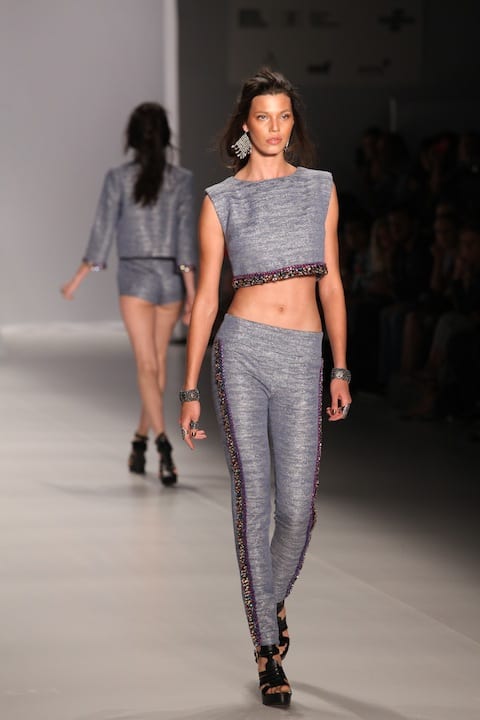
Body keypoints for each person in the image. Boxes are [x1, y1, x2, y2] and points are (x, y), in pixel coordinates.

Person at [179, 68, 351, 707]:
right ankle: (267, 649)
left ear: (292, 124)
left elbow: (331, 283)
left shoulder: (320, 188)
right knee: (254, 502)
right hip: (243, 352)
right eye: (262, 117)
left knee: (297, 509)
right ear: (244, 127)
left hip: (303, 355)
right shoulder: (221, 200)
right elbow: (205, 301)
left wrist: (340, 367)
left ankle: (269, 600)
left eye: (284, 117)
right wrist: (189, 389)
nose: (274, 128)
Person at [62, 103, 196, 485]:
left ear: (132, 138)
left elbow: (102, 229)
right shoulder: (181, 180)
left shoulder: (118, 179)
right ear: (166, 137)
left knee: (147, 366)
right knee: (156, 366)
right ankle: (140, 441)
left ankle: (162, 445)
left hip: (136, 278)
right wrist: (191, 293)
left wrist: (78, 277)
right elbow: (185, 240)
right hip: (170, 278)